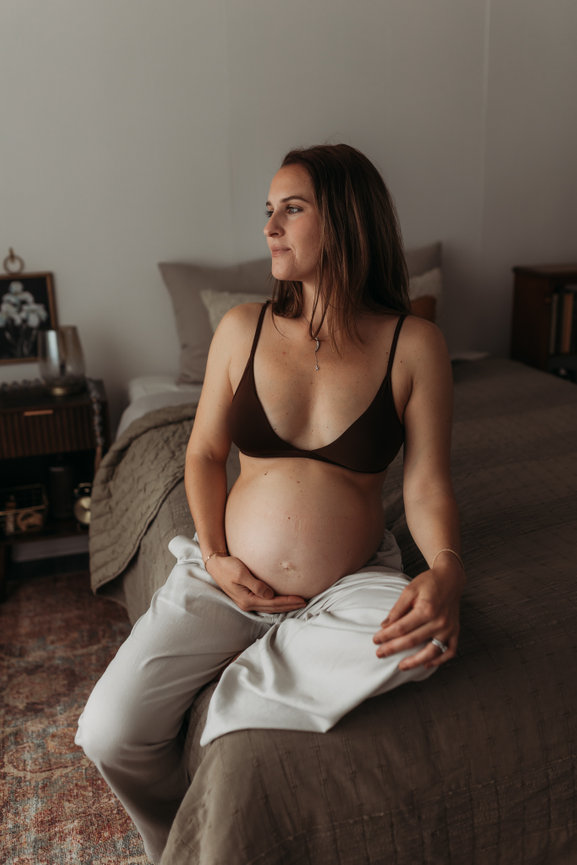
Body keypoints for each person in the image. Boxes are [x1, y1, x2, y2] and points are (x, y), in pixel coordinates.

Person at [76, 143, 465, 864]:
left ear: (344, 222)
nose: (269, 227)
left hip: (345, 586)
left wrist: (444, 568)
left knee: (428, 642)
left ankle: (234, 698)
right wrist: (215, 554)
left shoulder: (414, 344)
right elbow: (202, 454)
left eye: (291, 209)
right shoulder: (241, 329)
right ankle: (178, 842)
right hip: (225, 581)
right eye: (267, 211)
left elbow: (425, 483)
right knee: (107, 731)